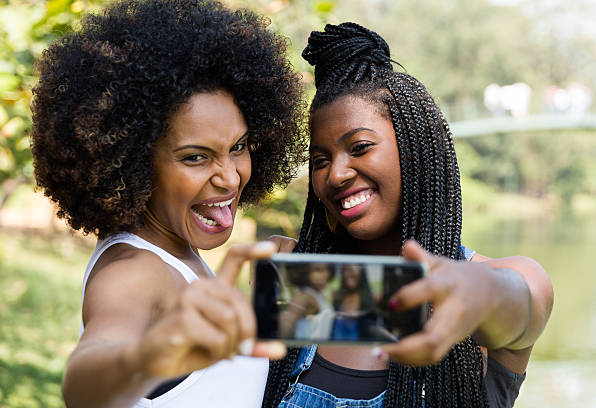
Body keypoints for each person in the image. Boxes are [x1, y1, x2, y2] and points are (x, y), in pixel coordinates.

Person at [262, 23, 553, 408]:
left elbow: (523, 303)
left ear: (418, 150)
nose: (335, 174)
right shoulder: (304, 284)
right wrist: (273, 286)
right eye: (320, 160)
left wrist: (479, 293)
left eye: (361, 147)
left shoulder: (497, 280)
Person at [29, 0, 305, 406]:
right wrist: (150, 356)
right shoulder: (134, 273)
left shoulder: (176, 254)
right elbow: (83, 383)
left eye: (239, 146)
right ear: (134, 162)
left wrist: (266, 301)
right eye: (195, 157)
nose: (230, 177)